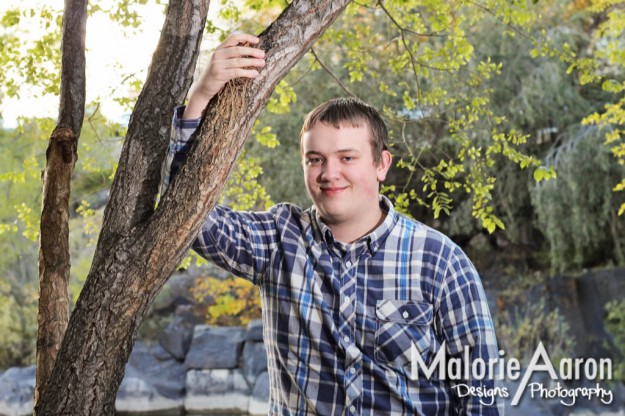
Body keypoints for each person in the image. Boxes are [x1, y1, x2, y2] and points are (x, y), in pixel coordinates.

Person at [161, 33, 503, 415]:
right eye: (315, 159)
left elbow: (479, 393)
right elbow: (190, 217)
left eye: (346, 157)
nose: (329, 173)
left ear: (381, 165)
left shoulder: (441, 262)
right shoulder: (279, 241)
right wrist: (201, 97)